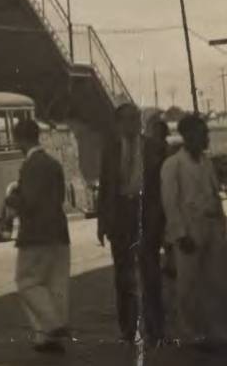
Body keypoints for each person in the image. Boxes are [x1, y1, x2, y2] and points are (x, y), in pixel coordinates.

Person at [97, 102, 167, 344]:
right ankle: (127, 329)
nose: (132, 124)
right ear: (118, 124)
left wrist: (161, 222)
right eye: (126, 119)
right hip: (120, 217)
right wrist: (102, 223)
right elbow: (105, 187)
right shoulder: (111, 150)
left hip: (145, 215)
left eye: (135, 118)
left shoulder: (154, 148)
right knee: (123, 276)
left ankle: (156, 328)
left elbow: (160, 190)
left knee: (151, 274)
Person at [160, 114, 227, 348]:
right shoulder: (173, 165)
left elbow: (213, 194)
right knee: (188, 284)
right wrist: (180, 234)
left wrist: (221, 225)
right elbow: (170, 202)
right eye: (203, 133)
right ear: (188, 135)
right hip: (189, 230)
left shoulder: (206, 162)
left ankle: (217, 330)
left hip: (212, 228)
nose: (207, 138)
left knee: (217, 280)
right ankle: (192, 332)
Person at [6, 118, 70, 354]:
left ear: (20, 139)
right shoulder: (54, 164)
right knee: (55, 283)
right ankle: (45, 338)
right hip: (59, 232)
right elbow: (60, 198)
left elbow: (29, 202)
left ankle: (53, 324)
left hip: (35, 234)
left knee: (27, 282)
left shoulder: (30, 165)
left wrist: (11, 199)